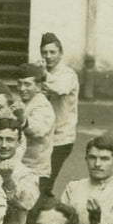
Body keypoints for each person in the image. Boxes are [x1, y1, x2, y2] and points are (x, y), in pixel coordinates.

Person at [38, 32, 79, 194]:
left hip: (61, 138)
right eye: (45, 52)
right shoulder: (41, 72)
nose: (48, 56)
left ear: (61, 53)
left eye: (53, 52)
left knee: (45, 181)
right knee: (37, 179)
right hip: (42, 134)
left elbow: (61, 88)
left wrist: (43, 75)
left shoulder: (68, 74)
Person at [15, 63, 56, 181]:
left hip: (35, 171)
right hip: (20, 166)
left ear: (38, 87)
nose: (22, 88)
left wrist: (23, 120)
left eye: (27, 84)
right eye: (19, 84)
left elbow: (38, 130)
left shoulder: (43, 106)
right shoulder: (23, 102)